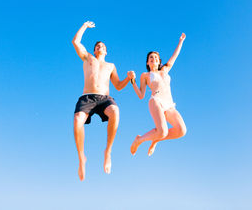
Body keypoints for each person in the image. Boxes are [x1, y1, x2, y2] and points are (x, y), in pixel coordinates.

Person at [72, 21, 133, 181]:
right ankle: (81, 158)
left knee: (115, 112)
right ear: (94, 50)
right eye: (97, 46)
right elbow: (76, 42)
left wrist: (128, 78)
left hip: (104, 98)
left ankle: (108, 151)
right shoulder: (87, 58)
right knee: (78, 119)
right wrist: (84, 26)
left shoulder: (111, 65)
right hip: (88, 97)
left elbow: (118, 86)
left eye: (102, 46)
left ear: (106, 51)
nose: (100, 47)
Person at [129, 33, 187, 156]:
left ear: (159, 61)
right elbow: (141, 95)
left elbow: (174, 56)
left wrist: (181, 41)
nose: (153, 59)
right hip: (156, 100)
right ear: (148, 63)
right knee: (162, 131)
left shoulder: (165, 69)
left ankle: (155, 140)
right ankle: (139, 140)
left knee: (181, 130)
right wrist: (132, 81)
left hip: (169, 105)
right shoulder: (145, 75)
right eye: (151, 58)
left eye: (155, 57)